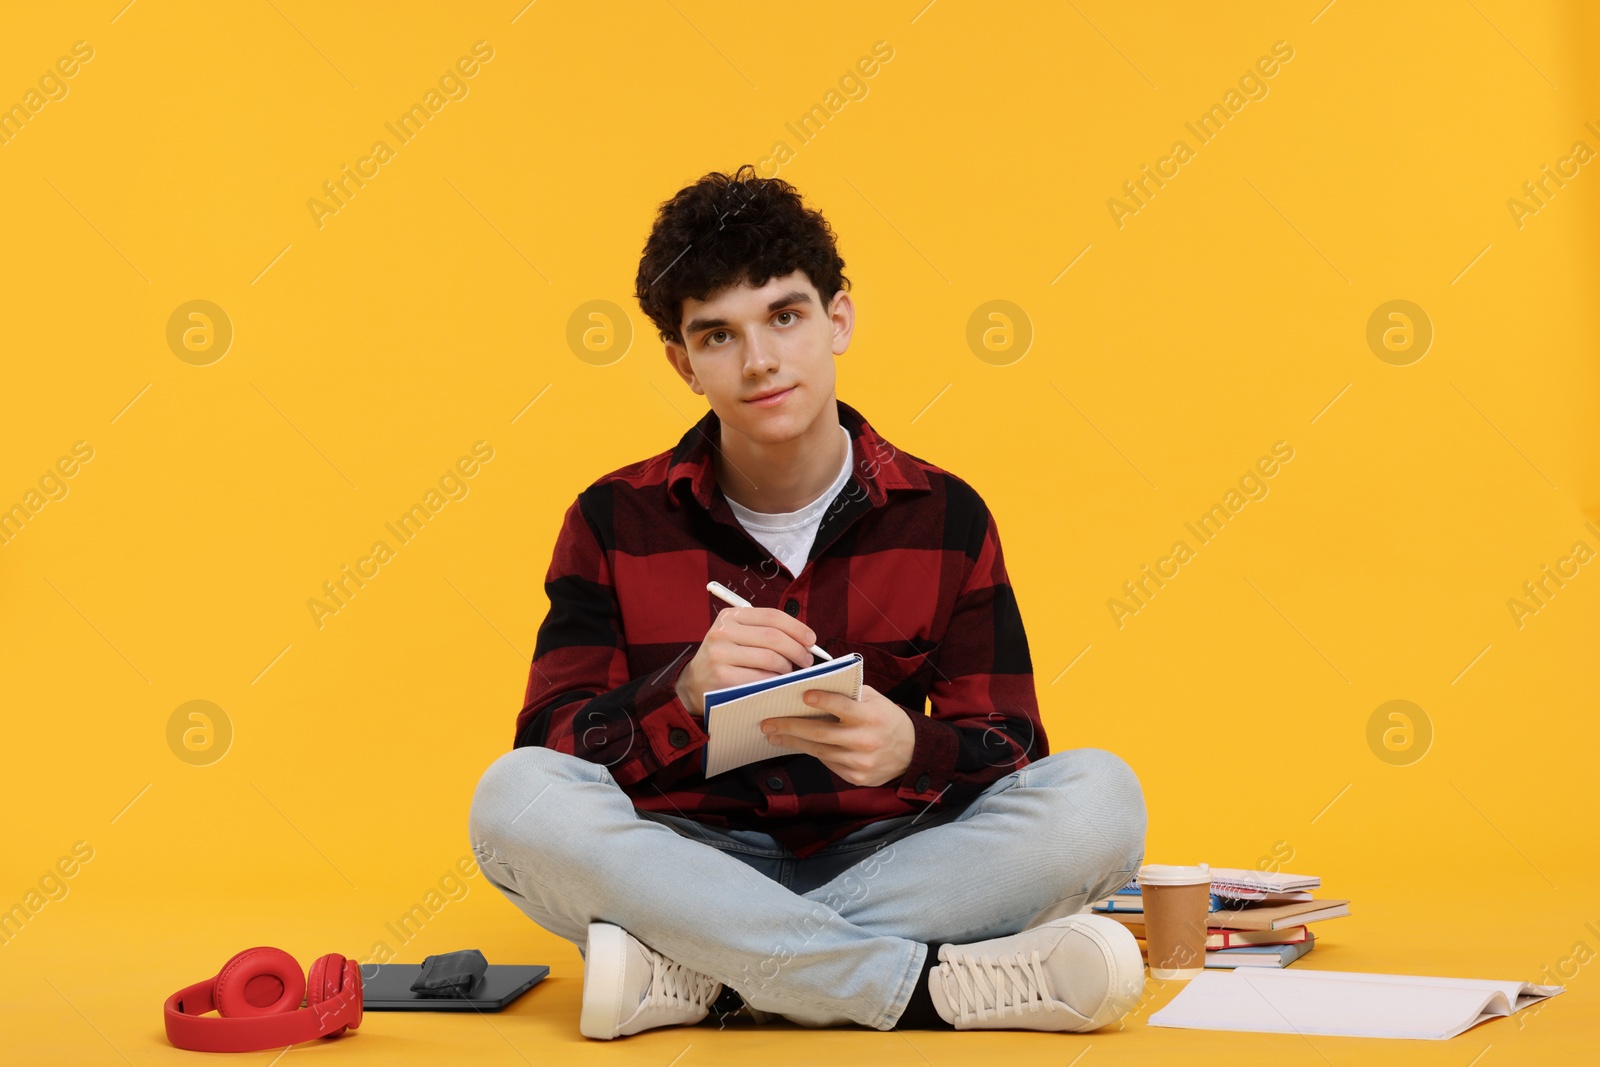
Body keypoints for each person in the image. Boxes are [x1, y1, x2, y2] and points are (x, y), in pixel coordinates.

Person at [468, 165, 1147, 1039]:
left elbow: (1012, 747)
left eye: (784, 317)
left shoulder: (946, 512)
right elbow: (549, 745)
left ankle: (709, 975)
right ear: (682, 363)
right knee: (512, 798)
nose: (759, 361)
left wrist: (913, 745)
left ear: (838, 318)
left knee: (1102, 799)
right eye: (718, 336)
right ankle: (916, 990)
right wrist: (676, 694)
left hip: (894, 858)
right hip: (684, 859)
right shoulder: (612, 517)